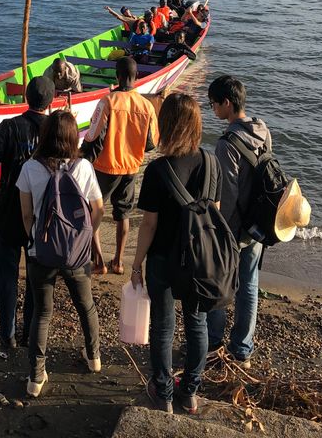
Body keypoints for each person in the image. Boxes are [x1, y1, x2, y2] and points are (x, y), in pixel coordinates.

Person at [130, 93, 222, 414]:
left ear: (166, 125)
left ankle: (164, 394)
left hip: (162, 261)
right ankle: (191, 393)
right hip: (198, 262)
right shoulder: (211, 163)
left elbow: (149, 226)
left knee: (163, 327)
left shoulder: (158, 171)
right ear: (196, 125)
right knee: (197, 324)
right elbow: (215, 215)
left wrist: (136, 263)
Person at [17, 110, 104, 397]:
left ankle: (35, 378)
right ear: (71, 137)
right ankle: (94, 358)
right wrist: (85, 235)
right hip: (77, 254)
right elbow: (99, 208)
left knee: (42, 313)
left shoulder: (30, 168)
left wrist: (36, 240)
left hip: (41, 252)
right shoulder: (84, 167)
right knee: (86, 306)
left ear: (44, 136)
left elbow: (27, 215)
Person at [0, 76, 56, 349]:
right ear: (51, 101)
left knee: (7, 276)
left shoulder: (9, 128)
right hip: (43, 214)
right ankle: (31, 333)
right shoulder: (55, 130)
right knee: (37, 277)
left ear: (26, 98)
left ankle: (8, 334)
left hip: (9, 210)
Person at [206, 75, 271, 368]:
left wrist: (220, 231)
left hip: (235, 227)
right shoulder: (263, 129)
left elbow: (227, 194)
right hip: (259, 223)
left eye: (214, 104)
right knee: (249, 285)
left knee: (218, 284)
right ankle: (242, 349)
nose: (212, 110)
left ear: (227, 103)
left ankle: (214, 343)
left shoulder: (226, 144)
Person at [82, 56, 157, 275]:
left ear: (117, 76)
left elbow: (94, 136)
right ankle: (118, 261)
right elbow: (152, 144)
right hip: (131, 167)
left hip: (105, 166)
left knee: (94, 210)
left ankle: (98, 261)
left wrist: (83, 159)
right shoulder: (147, 106)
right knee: (123, 214)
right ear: (137, 76)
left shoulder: (108, 101)